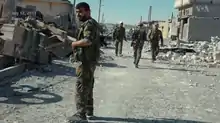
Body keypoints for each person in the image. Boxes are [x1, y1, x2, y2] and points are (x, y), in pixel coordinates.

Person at [67, 2, 100, 122]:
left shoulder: (89, 24)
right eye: (76, 12)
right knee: (88, 84)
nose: (78, 14)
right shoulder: (91, 23)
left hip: (86, 61)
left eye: (80, 12)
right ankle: (89, 110)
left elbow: (88, 41)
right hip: (90, 60)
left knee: (81, 86)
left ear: (88, 11)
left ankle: (81, 115)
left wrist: (74, 44)